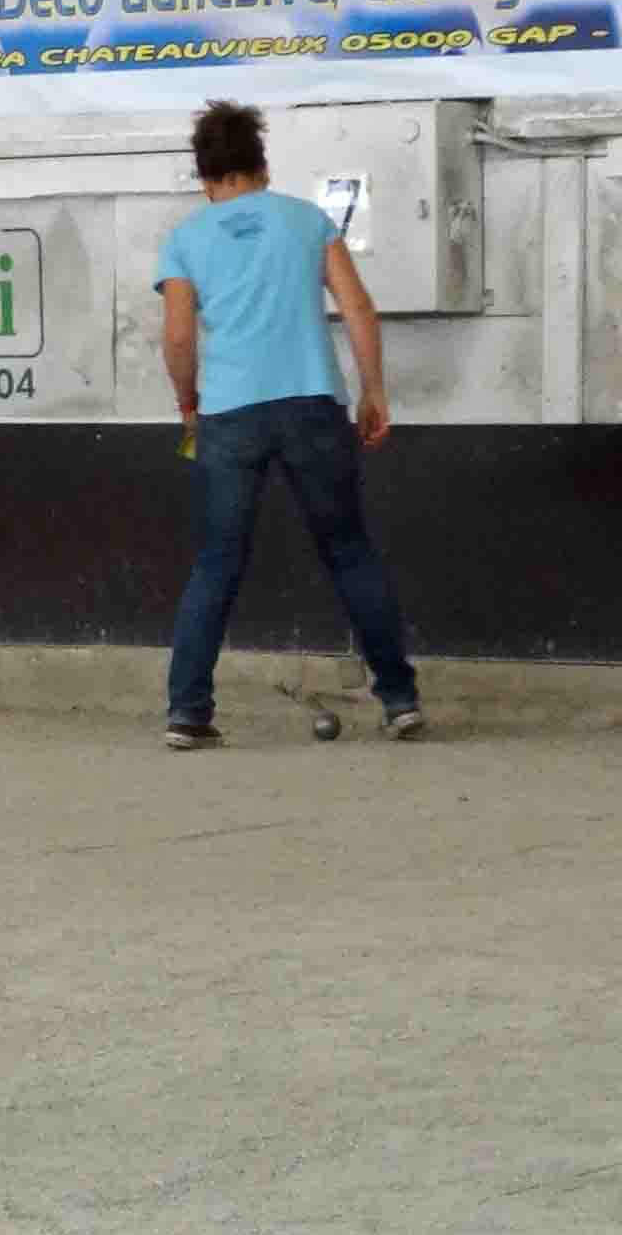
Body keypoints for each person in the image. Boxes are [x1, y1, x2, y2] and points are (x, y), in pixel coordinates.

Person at [156, 100, 423, 750]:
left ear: (204, 175)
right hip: (311, 403)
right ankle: (399, 700)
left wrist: (189, 400)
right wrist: (373, 390)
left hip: (228, 413)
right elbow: (358, 307)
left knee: (217, 561)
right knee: (349, 550)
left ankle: (188, 711)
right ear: (263, 165)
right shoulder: (308, 221)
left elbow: (179, 336)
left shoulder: (186, 240)